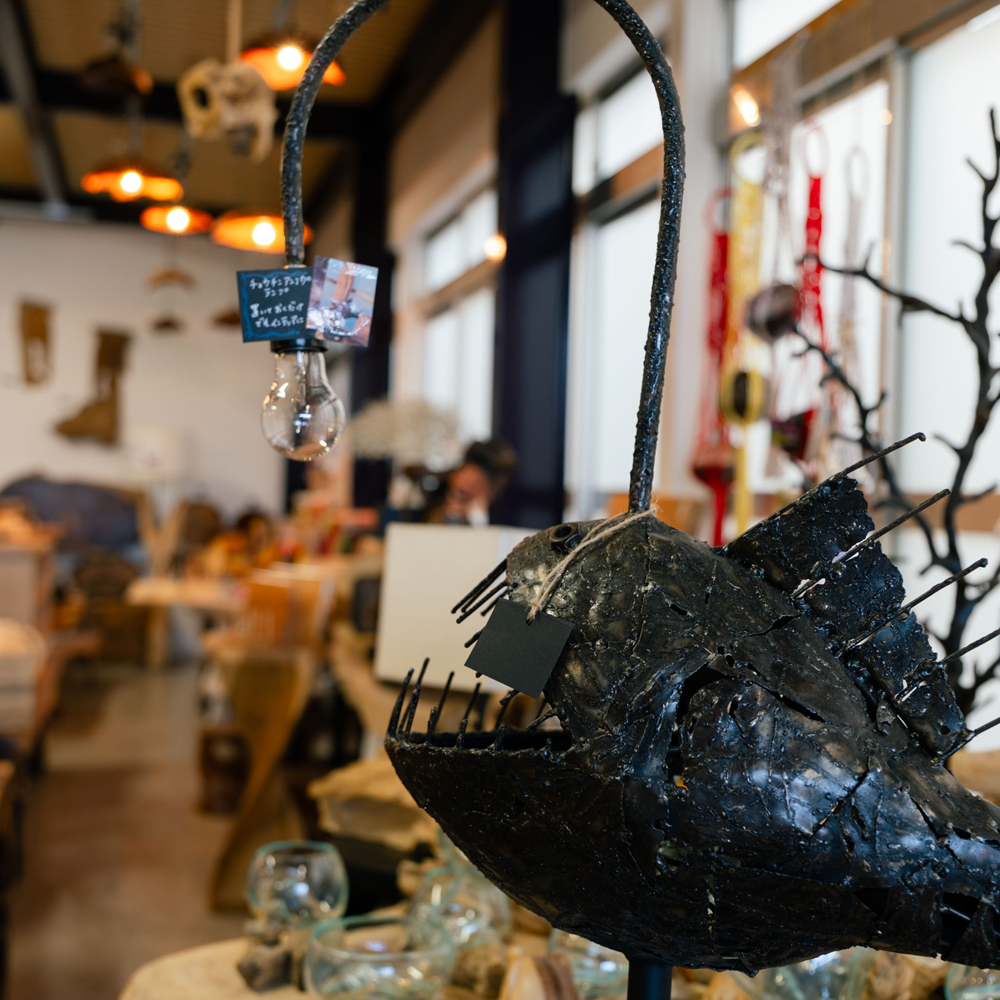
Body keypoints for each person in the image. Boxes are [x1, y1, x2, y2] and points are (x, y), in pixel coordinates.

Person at [428, 440, 517, 526]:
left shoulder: (502, 513)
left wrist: (477, 519)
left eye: (475, 485)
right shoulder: (435, 494)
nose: (463, 488)